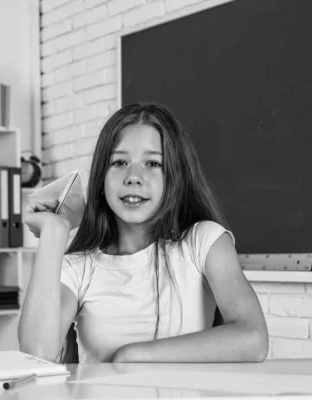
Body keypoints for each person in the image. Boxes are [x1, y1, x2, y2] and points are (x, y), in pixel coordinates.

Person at [19, 103, 269, 364]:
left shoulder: (204, 242)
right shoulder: (78, 267)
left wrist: (131, 355)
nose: (133, 177)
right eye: (119, 162)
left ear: (174, 176)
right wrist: (53, 234)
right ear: (101, 179)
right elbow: (37, 354)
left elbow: (253, 339)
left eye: (152, 163)